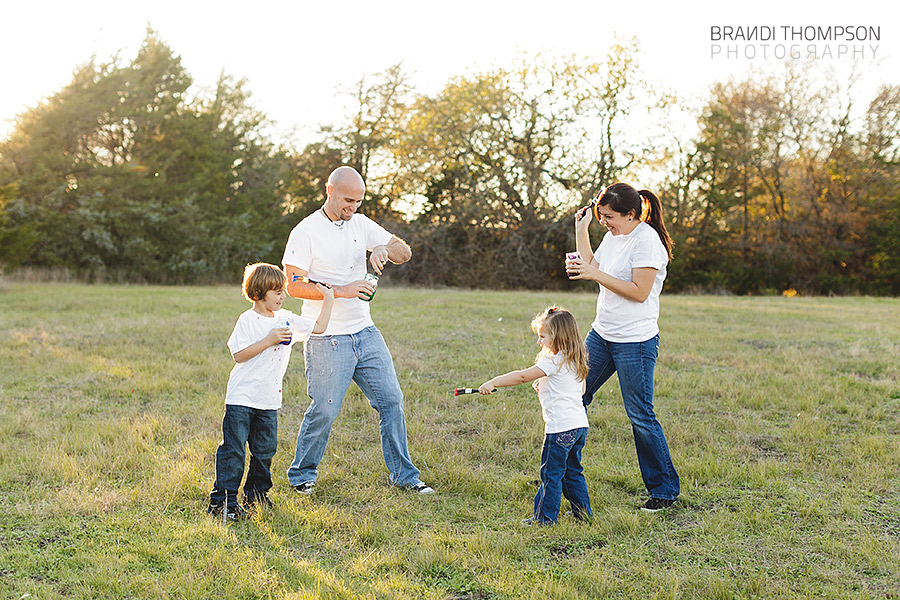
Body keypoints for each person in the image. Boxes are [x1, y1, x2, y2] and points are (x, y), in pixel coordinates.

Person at [281, 165, 433, 495]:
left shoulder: (360, 224)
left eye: (359, 202)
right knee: (324, 409)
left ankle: (404, 477)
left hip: (365, 332)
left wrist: (382, 249)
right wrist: (340, 290)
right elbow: (293, 286)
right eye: (349, 200)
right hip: (326, 337)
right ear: (330, 191)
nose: (354, 207)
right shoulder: (305, 231)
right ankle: (302, 475)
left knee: (392, 401)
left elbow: (404, 252)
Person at [567, 182, 680, 512]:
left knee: (640, 415)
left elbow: (638, 291)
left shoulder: (647, 241)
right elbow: (595, 266)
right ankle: (564, 473)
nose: (605, 222)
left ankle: (664, 489)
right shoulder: (614, 235)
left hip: (636, 341)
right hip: (602, 334)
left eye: (609, 216)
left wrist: (593, 274)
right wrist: (582, 229)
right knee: (574, 396)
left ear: (631, 214)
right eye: (600, 216)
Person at [208, 263, 334, 520]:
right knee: (234, 450)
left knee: (265, 450)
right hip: (241, 398)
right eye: (276, 292)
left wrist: (328, 299)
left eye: (282, 291)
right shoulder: (247, 320)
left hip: (268, 399)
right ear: (258, 293)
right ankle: (223, 503)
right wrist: (269, 339)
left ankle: (256, 494)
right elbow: (238, 355)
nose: (282, 296)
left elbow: (318, 328)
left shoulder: (286, 318)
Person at [478, 306, 592, 525]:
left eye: (542, 337)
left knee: (551, 475)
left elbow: (522, 376)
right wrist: (546, 386)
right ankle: (582, 513)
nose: (539, 342)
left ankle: (544, 519)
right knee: (573, 472)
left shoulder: (552, 361)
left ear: (557, 337)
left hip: (559, 429)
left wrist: (493, 382)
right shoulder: (576, 360)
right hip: (579, 426)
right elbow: (581, 390)